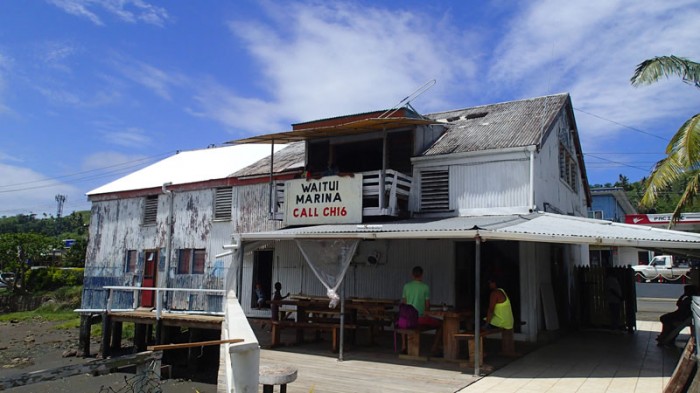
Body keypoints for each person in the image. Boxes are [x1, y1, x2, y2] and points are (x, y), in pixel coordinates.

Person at [401, 266, 442, 353]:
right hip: (420, 318)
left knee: (403, 322)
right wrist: (427, 313)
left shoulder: (406, 286)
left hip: (408, 318)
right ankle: (434, 348)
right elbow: (427, 305)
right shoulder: (425, 287)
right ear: (422, 275)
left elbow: (404, 303)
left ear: (412, 275)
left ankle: (404, 346)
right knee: (441, 324)